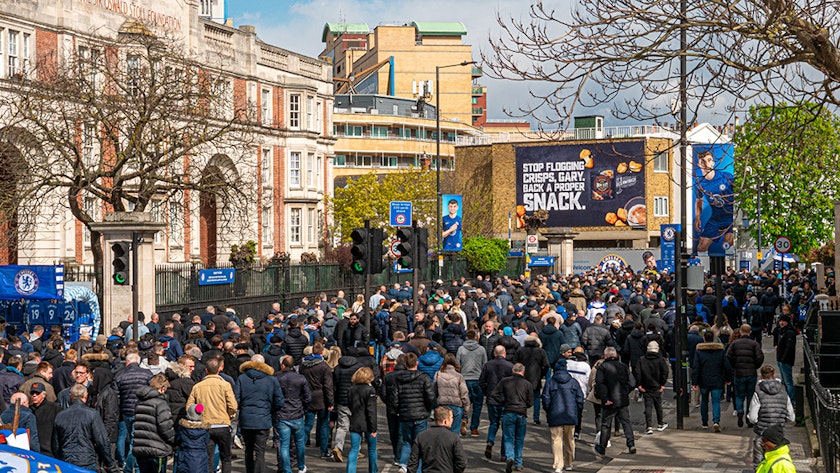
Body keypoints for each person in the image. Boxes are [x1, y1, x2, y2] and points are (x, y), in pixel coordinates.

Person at [187, 355, 238, 473]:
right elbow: (233, 406)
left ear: (206, 370)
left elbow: (189, 407)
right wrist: (229, 417)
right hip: (222, 424)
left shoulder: (197, 386)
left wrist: (199, 416)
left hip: (205, 425)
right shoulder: (225, 385)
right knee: (226, 458)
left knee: (208, 458)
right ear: (220, 369)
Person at [235, 354, 285, 473]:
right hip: (263, 419)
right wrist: (269, 410)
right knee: (260, 451)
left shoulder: (242, 379)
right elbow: (280, 401)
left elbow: (236, 399)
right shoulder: (271, 380)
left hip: (246, 418)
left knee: (248, 449)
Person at [52, 384, 118, 472]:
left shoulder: (60, 416)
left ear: (70, 396)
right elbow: (102, 440)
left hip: (67, 459)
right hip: (86, 460)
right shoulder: (92, 414)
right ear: (86, 396)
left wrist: (60, 459)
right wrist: (109, 462)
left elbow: (55, 444)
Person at [395, 352, 436, 472]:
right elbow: (430, 396)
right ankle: (417, 470)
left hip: (405, 414)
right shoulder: (424, 377)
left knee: (407, 442)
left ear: (405, 364)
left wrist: (399, 410)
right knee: (420, 444)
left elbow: (395, 398)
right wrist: (428, 409)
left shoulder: (399, 379)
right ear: (417, 363)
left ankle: (403, 465)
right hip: (420, 415)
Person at [489, 362, 534, 473]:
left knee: (508, 437)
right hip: (521, 413)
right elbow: (531, 402)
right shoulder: (527, 384)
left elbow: (494, 394)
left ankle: (510, 456)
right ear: (523, 372)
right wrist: (524, 405)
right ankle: (518, 463)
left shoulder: (505, 381)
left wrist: (503, 402)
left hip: (508, 412)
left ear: (513, 370)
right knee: (519, 439)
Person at [747, 365, 795, 467]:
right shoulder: (784, 393)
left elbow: (752, 418)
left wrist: (758, 421)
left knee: (759, 465)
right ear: (774, 376)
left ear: (761, 377)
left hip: (762, 433)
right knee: (778, 463)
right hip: (778, 434)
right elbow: (791, 417)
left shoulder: (758, 393)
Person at [542, 358, 584, 472]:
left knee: (556, 440)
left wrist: (548, 410)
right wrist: (577, 410)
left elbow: (545, 399)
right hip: (570, 414)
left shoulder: (550, 382)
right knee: (570, 440)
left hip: (555, 414)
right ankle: (569, 463)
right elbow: (580, 399)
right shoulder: (573, 382)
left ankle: (558, 465)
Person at [114, 351, 153, 473]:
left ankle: (124, 462)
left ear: (127, 362)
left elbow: (116, 396)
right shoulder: (147, 374)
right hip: (142, 410)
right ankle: (132, 467)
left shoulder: (119, 375)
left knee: (128, 437)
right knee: (135, 440)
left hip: (126, 410)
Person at [593, 347, 636, 456]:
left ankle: (602, 447)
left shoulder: (602, 367)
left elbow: (600, 384)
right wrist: (625, 392)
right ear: (616, 355)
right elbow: (632, 383)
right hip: (622, 399)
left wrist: (605, 398)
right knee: (626, 422)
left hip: (609, 400)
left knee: (606, 424)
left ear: (605, 356)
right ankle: (631, 444)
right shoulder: (623, 366)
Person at [274, 355, 311, 473]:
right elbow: (308, 397)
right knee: (299, 442)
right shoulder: (300, 378)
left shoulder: (277, 379)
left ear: (283, 365)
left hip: (283, 413)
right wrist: (303, 408)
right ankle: (301, 466)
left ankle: (287, 469)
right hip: (297, 413)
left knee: (284, 444)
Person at [132, 374, 176, 473]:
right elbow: (165, 427)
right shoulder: (161, 403)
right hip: (157, 449)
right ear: (162, 388)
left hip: (141, 447)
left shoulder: (139, 402)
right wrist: (174, 440)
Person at [693, 149, 734, 253]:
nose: (706, 164)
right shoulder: (699, 183)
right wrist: (698, 217)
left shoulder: (726, 177)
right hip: (716, 218)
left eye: (709, 160)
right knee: (701, 248)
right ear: (699, 164)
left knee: (728, 243)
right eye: (703, 161)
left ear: (713, 163)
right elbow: (699, 200)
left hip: (730, 217)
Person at [692, 330, 733, 431]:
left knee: (704, 401)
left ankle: (705, 422)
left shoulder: (699, 352)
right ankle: (716, 421)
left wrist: (695, 382)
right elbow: (727, 366)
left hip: (703, 380)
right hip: (717, 380)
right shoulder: (720, 351)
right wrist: (728, 379)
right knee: (716, 402)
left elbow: (696, 368)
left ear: (704, 339)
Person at [299, 342, 334, 460]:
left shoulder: (303, 365)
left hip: (307, 396)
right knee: (324, 424)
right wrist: (331, 402)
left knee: (307, 424)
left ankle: (300, 448)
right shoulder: (324, 366)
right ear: (322, 352)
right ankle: (323, 451)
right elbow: (328, 386)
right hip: (321, 398)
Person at [406, 406, 467, 473]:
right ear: (445, 421)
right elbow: (461, 461)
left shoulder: (421, 436)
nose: (452, 420)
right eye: (451, 417)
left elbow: (413, 461)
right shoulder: (453, 437)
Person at [727, 324, 764, 427]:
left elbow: (728, 356)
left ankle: (739, 410)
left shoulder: (734, 344)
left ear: (740, 332)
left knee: (739, 395)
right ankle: (748, 417)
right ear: (750, 332)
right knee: (750, 396)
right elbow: (760, 357)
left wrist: (734, 365)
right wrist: (755, 366)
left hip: (739, 372)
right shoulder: (754, 344)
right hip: (751, 372)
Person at [479, 345, 513, 461]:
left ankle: (490, 441)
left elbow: (482, 381)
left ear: (494, 353)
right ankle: (504, 454)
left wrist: (487, 393)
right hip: (505, 400)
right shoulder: (510, 366)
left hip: (492, 398)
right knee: (506, 427)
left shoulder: (488, 365)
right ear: (504, 353)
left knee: (493, 423)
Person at [346, 367, 378, 473]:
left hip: (355, 421)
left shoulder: (351, 389)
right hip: (368, 423)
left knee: (354, 449)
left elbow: (350, 405)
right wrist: (374, 428)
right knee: (372, 450)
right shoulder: (370, 391)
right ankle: (373, 471)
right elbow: (371, 411)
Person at [456, 329, 487, 436]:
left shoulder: (461, 349)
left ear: (466, 337)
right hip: (477, 378)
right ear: (476, 337)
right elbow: (485, 365)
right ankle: (474, 428)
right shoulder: (481, 349)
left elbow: (458, 365)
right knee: (477, 405)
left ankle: (464, 418)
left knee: (464, 402)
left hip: (464, 379)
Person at [635, 341, 669, 434]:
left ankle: (649, 426)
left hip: (645, 386)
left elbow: (638, 372)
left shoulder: (642, 359)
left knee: (648, 406)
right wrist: (662, 384)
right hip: (657, 385)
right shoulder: (661, 360)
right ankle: (660, 423)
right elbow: (665, 372)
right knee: (658, 406)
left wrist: (639, 385)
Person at [434, 353, 470, 435]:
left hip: (442, 404)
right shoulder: (459, 376)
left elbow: (434, 391)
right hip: (456, 405)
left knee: (441, 431)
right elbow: (464, 393)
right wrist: (466, 408)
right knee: (455, 431)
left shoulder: (438, 374)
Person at [175, 404, 211, 473]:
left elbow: (177, 440)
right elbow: (206, 441)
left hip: (185, 455)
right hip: (200, 456)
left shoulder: (182, 428)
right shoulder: (204, 430)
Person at [29, 382, 59, 455]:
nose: (34, 395)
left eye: (37, 393)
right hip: (33, 450)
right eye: (32, 393)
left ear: (44, 395)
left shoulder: (54, 408)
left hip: (48, 450)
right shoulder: (29, 410)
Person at [774, 314, 798, 404]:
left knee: (788, 382)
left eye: (783, 321)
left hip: (785, 360)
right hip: (780, 359)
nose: (781, 323)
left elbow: (789, 348)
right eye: (780, 321)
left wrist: (783, 359)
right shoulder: (781, 331)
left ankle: (792, 400)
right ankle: (786, 398)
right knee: (784, 381)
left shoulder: (790, 333)